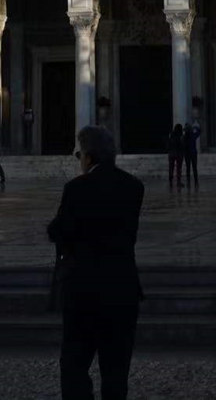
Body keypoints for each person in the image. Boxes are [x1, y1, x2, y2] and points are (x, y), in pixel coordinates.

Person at [47, 125, 144, 400]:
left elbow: (58, 231)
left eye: (79, 154)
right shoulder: (134, 187)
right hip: (123, 289)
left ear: (89, 157)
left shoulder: (76, 188)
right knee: (116, 371)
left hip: (84, 292)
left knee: (74, 365)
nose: (79, 160)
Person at [183, 122, 200, 189]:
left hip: (187, 154)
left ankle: (188, 181)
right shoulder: (193, 135)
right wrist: (194, 127)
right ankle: (196, 181)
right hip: (193, 153)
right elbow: (199, 131)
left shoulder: (184, 137)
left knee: (188, 168)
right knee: (194, 168)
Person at [167, 123, 184, 188]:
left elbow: (169, 143)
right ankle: (178, 182)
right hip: (178, 153)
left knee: (171, 168)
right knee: (178, 168)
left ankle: (170, 181)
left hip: (171, 153)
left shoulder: (171, 135)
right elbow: (181, 144)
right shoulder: (180, 136)